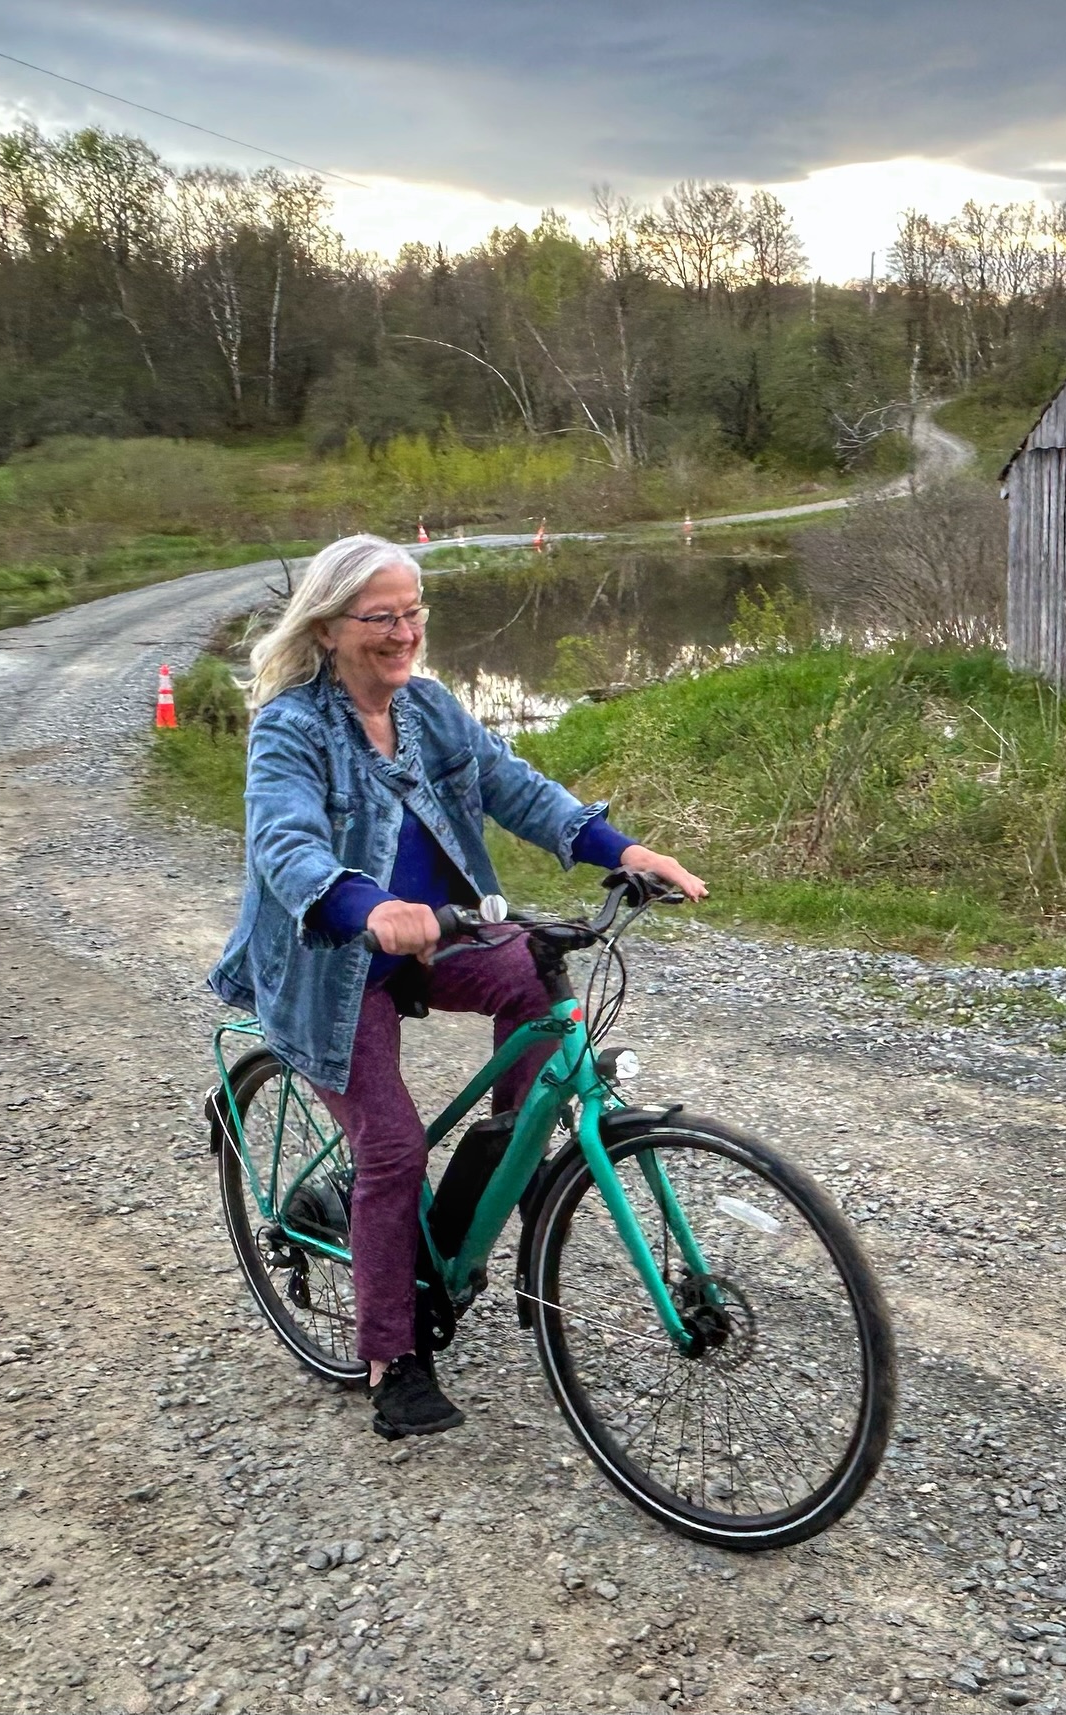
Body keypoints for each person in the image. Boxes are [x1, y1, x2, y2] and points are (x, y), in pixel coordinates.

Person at [210, 534, 705, 1439]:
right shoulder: (290, 727)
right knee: (392, 1145)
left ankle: (511, 1174)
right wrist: (366, 905)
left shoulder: (430, 710)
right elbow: (286, 844)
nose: (405, 632)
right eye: (383, 617)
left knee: (532, 977)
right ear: (328, 629)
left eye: (415, 612)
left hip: (439, 934)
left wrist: (626, 851)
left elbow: (521, 790)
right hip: (331, 955)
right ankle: (393, 1355)